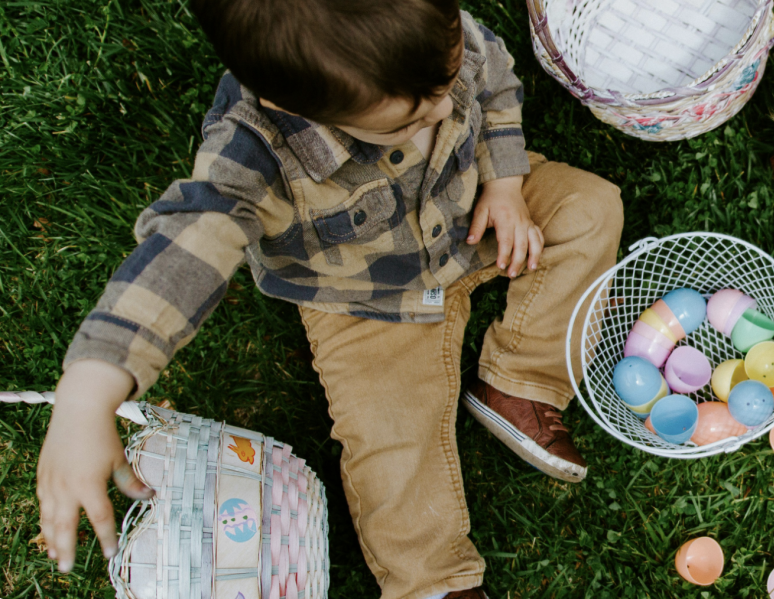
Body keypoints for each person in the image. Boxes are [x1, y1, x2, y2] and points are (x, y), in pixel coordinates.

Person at [34, 0, 623, 596]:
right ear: (288, 104)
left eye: (447, 86)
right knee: (391, 442)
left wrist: (504, 182)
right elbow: (186, 249)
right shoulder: (254, 153)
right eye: (404, 121)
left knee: (590, 209)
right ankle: (432, 581)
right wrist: (89, 391)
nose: (446, 109)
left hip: (476, 213)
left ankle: (519, 379)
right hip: (364, 300)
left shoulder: (430, 32)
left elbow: (492, 79)